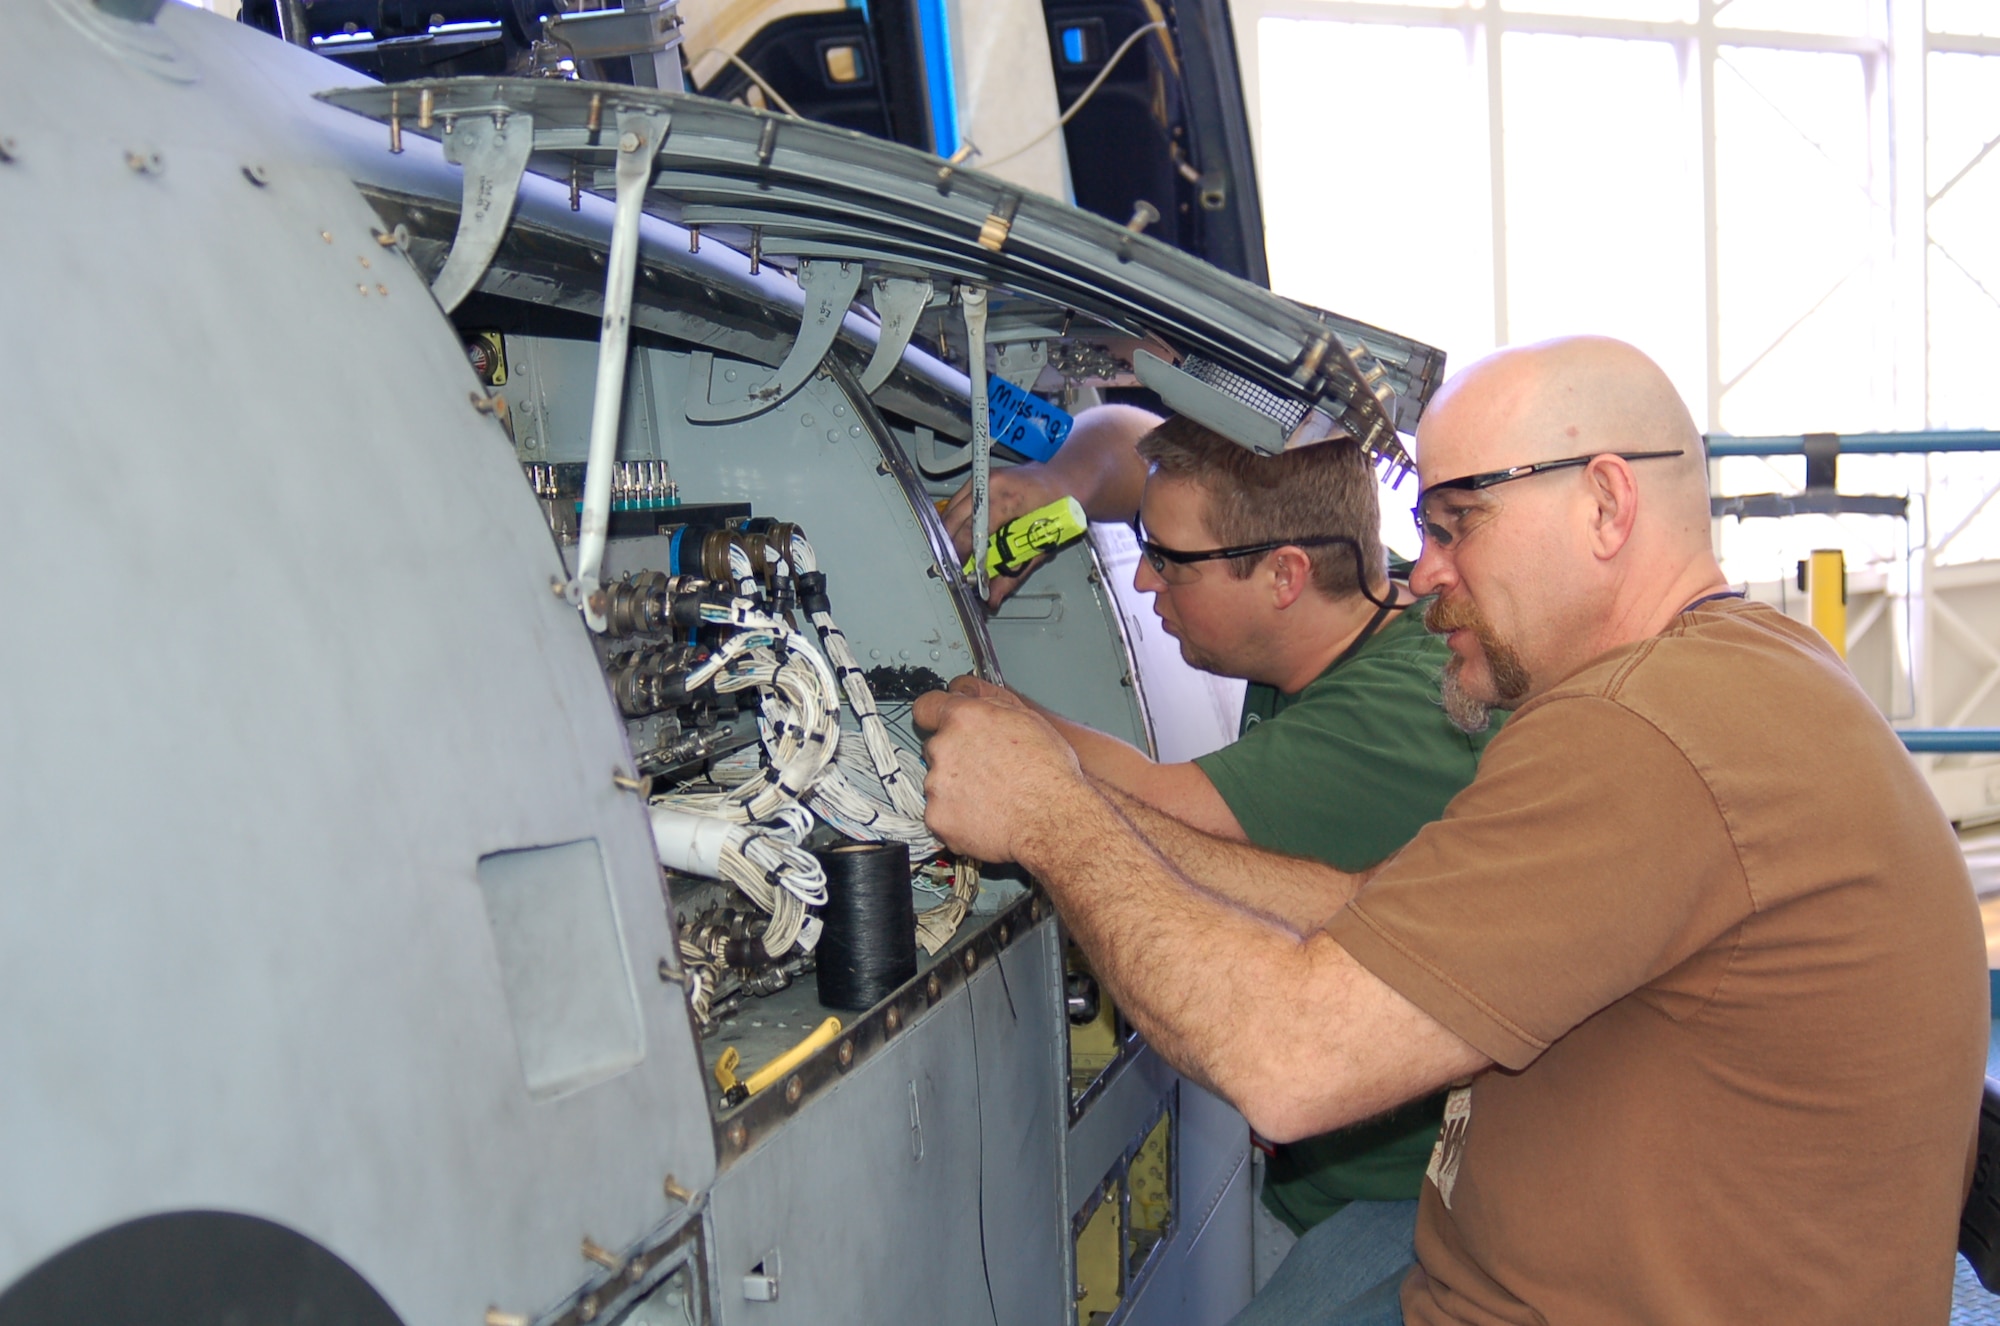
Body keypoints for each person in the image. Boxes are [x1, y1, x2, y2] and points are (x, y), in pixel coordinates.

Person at [916, 336, 1989, 1324]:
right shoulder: (1707, 676)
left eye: (1454, 522)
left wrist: (1051, 819)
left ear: (1605, 506)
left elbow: (1288, 1064)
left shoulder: (1644, 730)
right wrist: (1066, 788)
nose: (1419, 569)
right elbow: (1373, 914)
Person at [942, 407, 1498, 1271]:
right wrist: (1065, 484)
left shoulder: (1396, 717)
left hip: (1406, 1210)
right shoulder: (1356, 596)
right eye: (1145, 546)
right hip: (1327, 1183)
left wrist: (966, 701)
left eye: (1168, 560)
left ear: (1283, 575)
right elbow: (1126, 430)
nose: (1144, 583)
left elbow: (1155, 816)